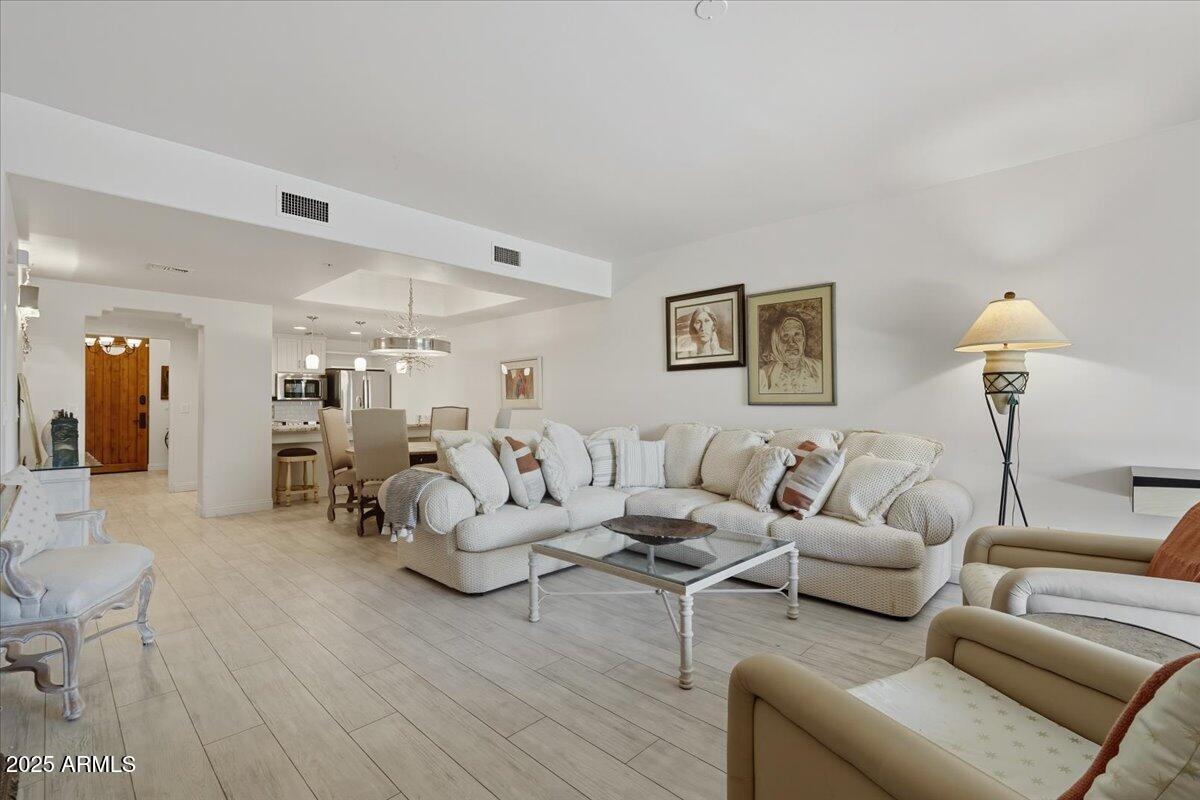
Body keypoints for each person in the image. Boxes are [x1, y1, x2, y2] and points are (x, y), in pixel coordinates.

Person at [759, 315, 822, 393]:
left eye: (797, 335)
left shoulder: (820, 368)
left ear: (803, 340)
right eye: (785, 336)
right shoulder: (764, 375)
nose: (792, 342)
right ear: (776, 342)